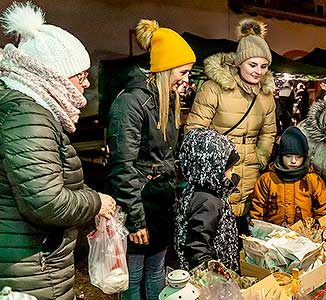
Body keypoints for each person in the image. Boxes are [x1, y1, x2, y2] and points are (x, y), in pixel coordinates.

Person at [0, 2, 116, 299]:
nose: (86, 84)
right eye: (80, 76)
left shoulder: (26, 109)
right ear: (53, 76)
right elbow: (45, 202)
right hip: (32, 269)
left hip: (27, 263)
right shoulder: (28, 116)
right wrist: (95, 202)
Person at [105, 19, 195, 300]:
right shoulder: (131, 103)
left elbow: (166, 155)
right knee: (132, 277)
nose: (186, 79)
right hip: (139, 203)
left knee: (156, 269)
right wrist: (135, 220)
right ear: (166, 69)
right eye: (183, 72)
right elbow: (122, 167)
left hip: (159, 202)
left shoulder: (167, 100)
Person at [185, 19, 276, 230]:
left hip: (251, 174)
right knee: (214, 235)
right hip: (218, 175)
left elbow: (269, 132)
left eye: (264, 66)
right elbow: (194, 132)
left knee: (245, 238)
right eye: (252, 65)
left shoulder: (266, 95)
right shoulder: (213, 88)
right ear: (239, 62)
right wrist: (217, 164)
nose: (258, 71)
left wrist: (260, 156)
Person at [175, 128, 240, 271]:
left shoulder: (206, 191)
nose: (233, 172)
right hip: (211, 279)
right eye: (229, 169)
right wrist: (213, 275)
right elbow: (197, 247)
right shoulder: (207, 200)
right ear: (212, 169)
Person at [250, 127, 326, 226]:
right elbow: (258, 207)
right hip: (273, 235)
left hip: (305, 234)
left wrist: (319, 226)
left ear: (304, 157)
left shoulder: (312, 179)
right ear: (281, 156)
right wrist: (257, 228)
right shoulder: (267, 179)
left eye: (298, 157)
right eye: (288, 156)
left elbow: (322, 208)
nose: (293, 161)